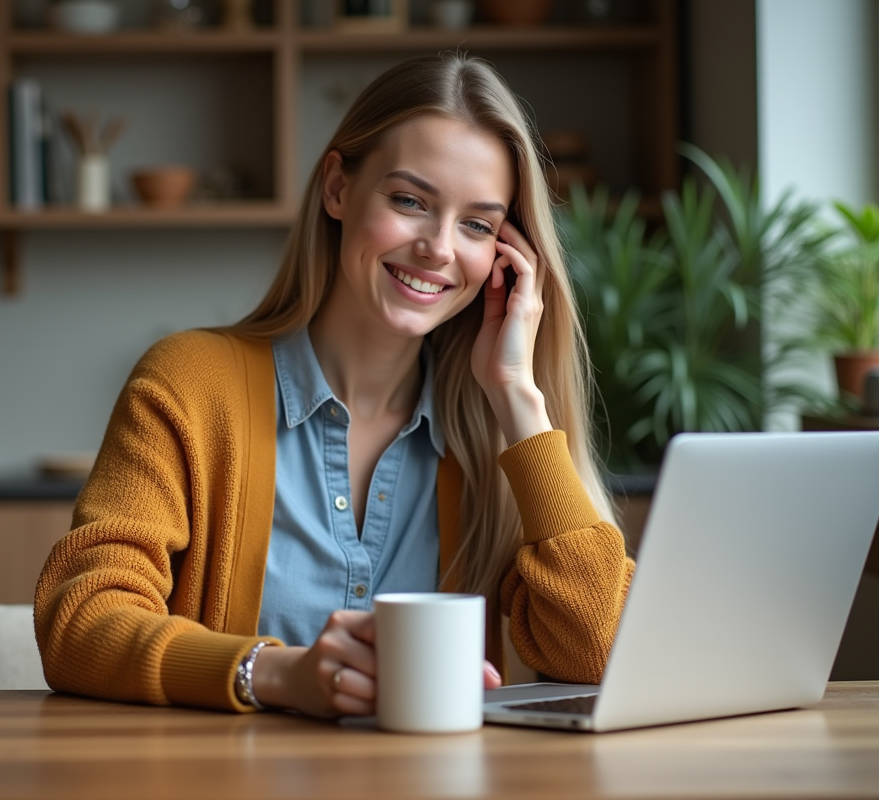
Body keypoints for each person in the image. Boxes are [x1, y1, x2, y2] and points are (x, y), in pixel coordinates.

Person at [35, 52, 635, 718]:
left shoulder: (496, 439)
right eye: (409, 201)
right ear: (338, 189)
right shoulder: (188, 383)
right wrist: (277, 673)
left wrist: (520, 400)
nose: (439, 248)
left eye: (476, 225)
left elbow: (601, 656)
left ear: (505, 256)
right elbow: (80, 620)